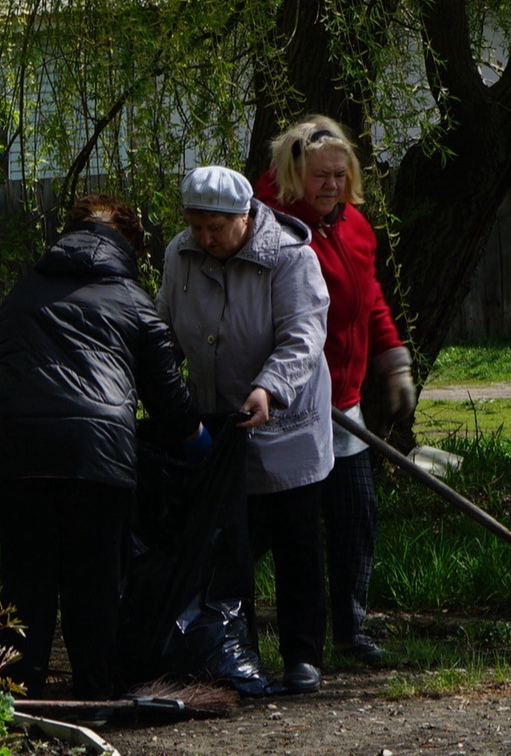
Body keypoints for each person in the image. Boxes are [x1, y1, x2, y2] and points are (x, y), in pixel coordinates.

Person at [0, 194, 203, 700]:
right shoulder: (130, 297)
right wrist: (201, 440)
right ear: (126, 241)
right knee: (94, 583)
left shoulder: (21, 293)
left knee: (24, 584)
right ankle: (96, 694)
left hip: (17, 455)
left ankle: (13, 697)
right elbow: (168, 397)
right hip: (96, 456)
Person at [161, 164, 333, 693]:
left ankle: (303, 658)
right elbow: (163, 325)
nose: (206, 238)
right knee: (226, 549)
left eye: (216, 227)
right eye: (197, 227)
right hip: (218, 425)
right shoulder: (179, 254)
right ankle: (233, 655)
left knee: (297, 543)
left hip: (288, 424)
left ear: (245, 217)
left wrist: (269, 388)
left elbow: (304, 336)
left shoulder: (289, 257)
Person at [258, 116, 409, 664]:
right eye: (322, 176)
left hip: (344, 406)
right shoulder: (273, 231)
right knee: (275, 528)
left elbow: (369, 300)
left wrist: (393, 359)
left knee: (355, 516)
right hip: (290, 406)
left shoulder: (355, 228)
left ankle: (350, 627)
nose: (332, 186)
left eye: (341, 176)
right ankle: (219, 620)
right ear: (296, 174)